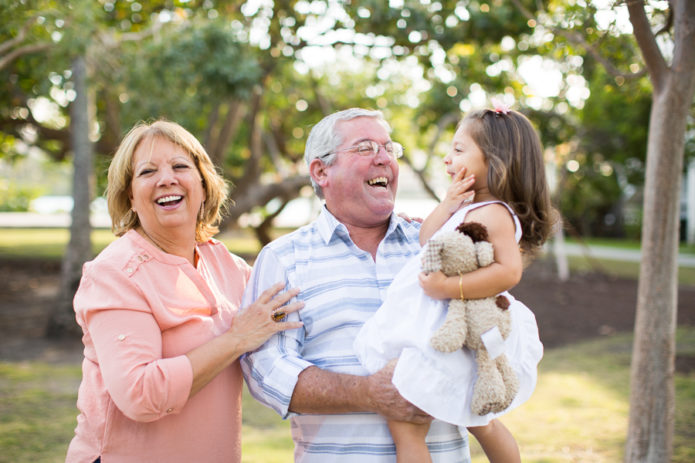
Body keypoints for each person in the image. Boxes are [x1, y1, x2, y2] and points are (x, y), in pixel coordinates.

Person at [241, 108, 472, 462]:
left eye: (389, 148)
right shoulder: (285, 258)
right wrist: (367, 393)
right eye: (365, 148)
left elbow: (485, 324)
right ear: (321, 171)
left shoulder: (433, 243)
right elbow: (267, 370)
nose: (384, 160)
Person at [65, 120, 303, 463]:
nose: (167, 179)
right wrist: (236, 339)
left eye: (180, 166)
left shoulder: (225, 264)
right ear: (130, 196)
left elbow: (279, 309)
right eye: (147, 172)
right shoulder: (114, 274)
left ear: (204, 186)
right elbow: (139, 394)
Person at [353, 102, 555, 463]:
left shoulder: (495, 213)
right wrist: (447, 204)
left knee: (422, 424)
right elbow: (426, 239)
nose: (448, 159)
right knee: (467, 420)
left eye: (459, 150)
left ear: (496, 161)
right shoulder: (466, 207)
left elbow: (509, 272)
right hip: (446, 325)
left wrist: (446, 288)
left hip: (460, 327)